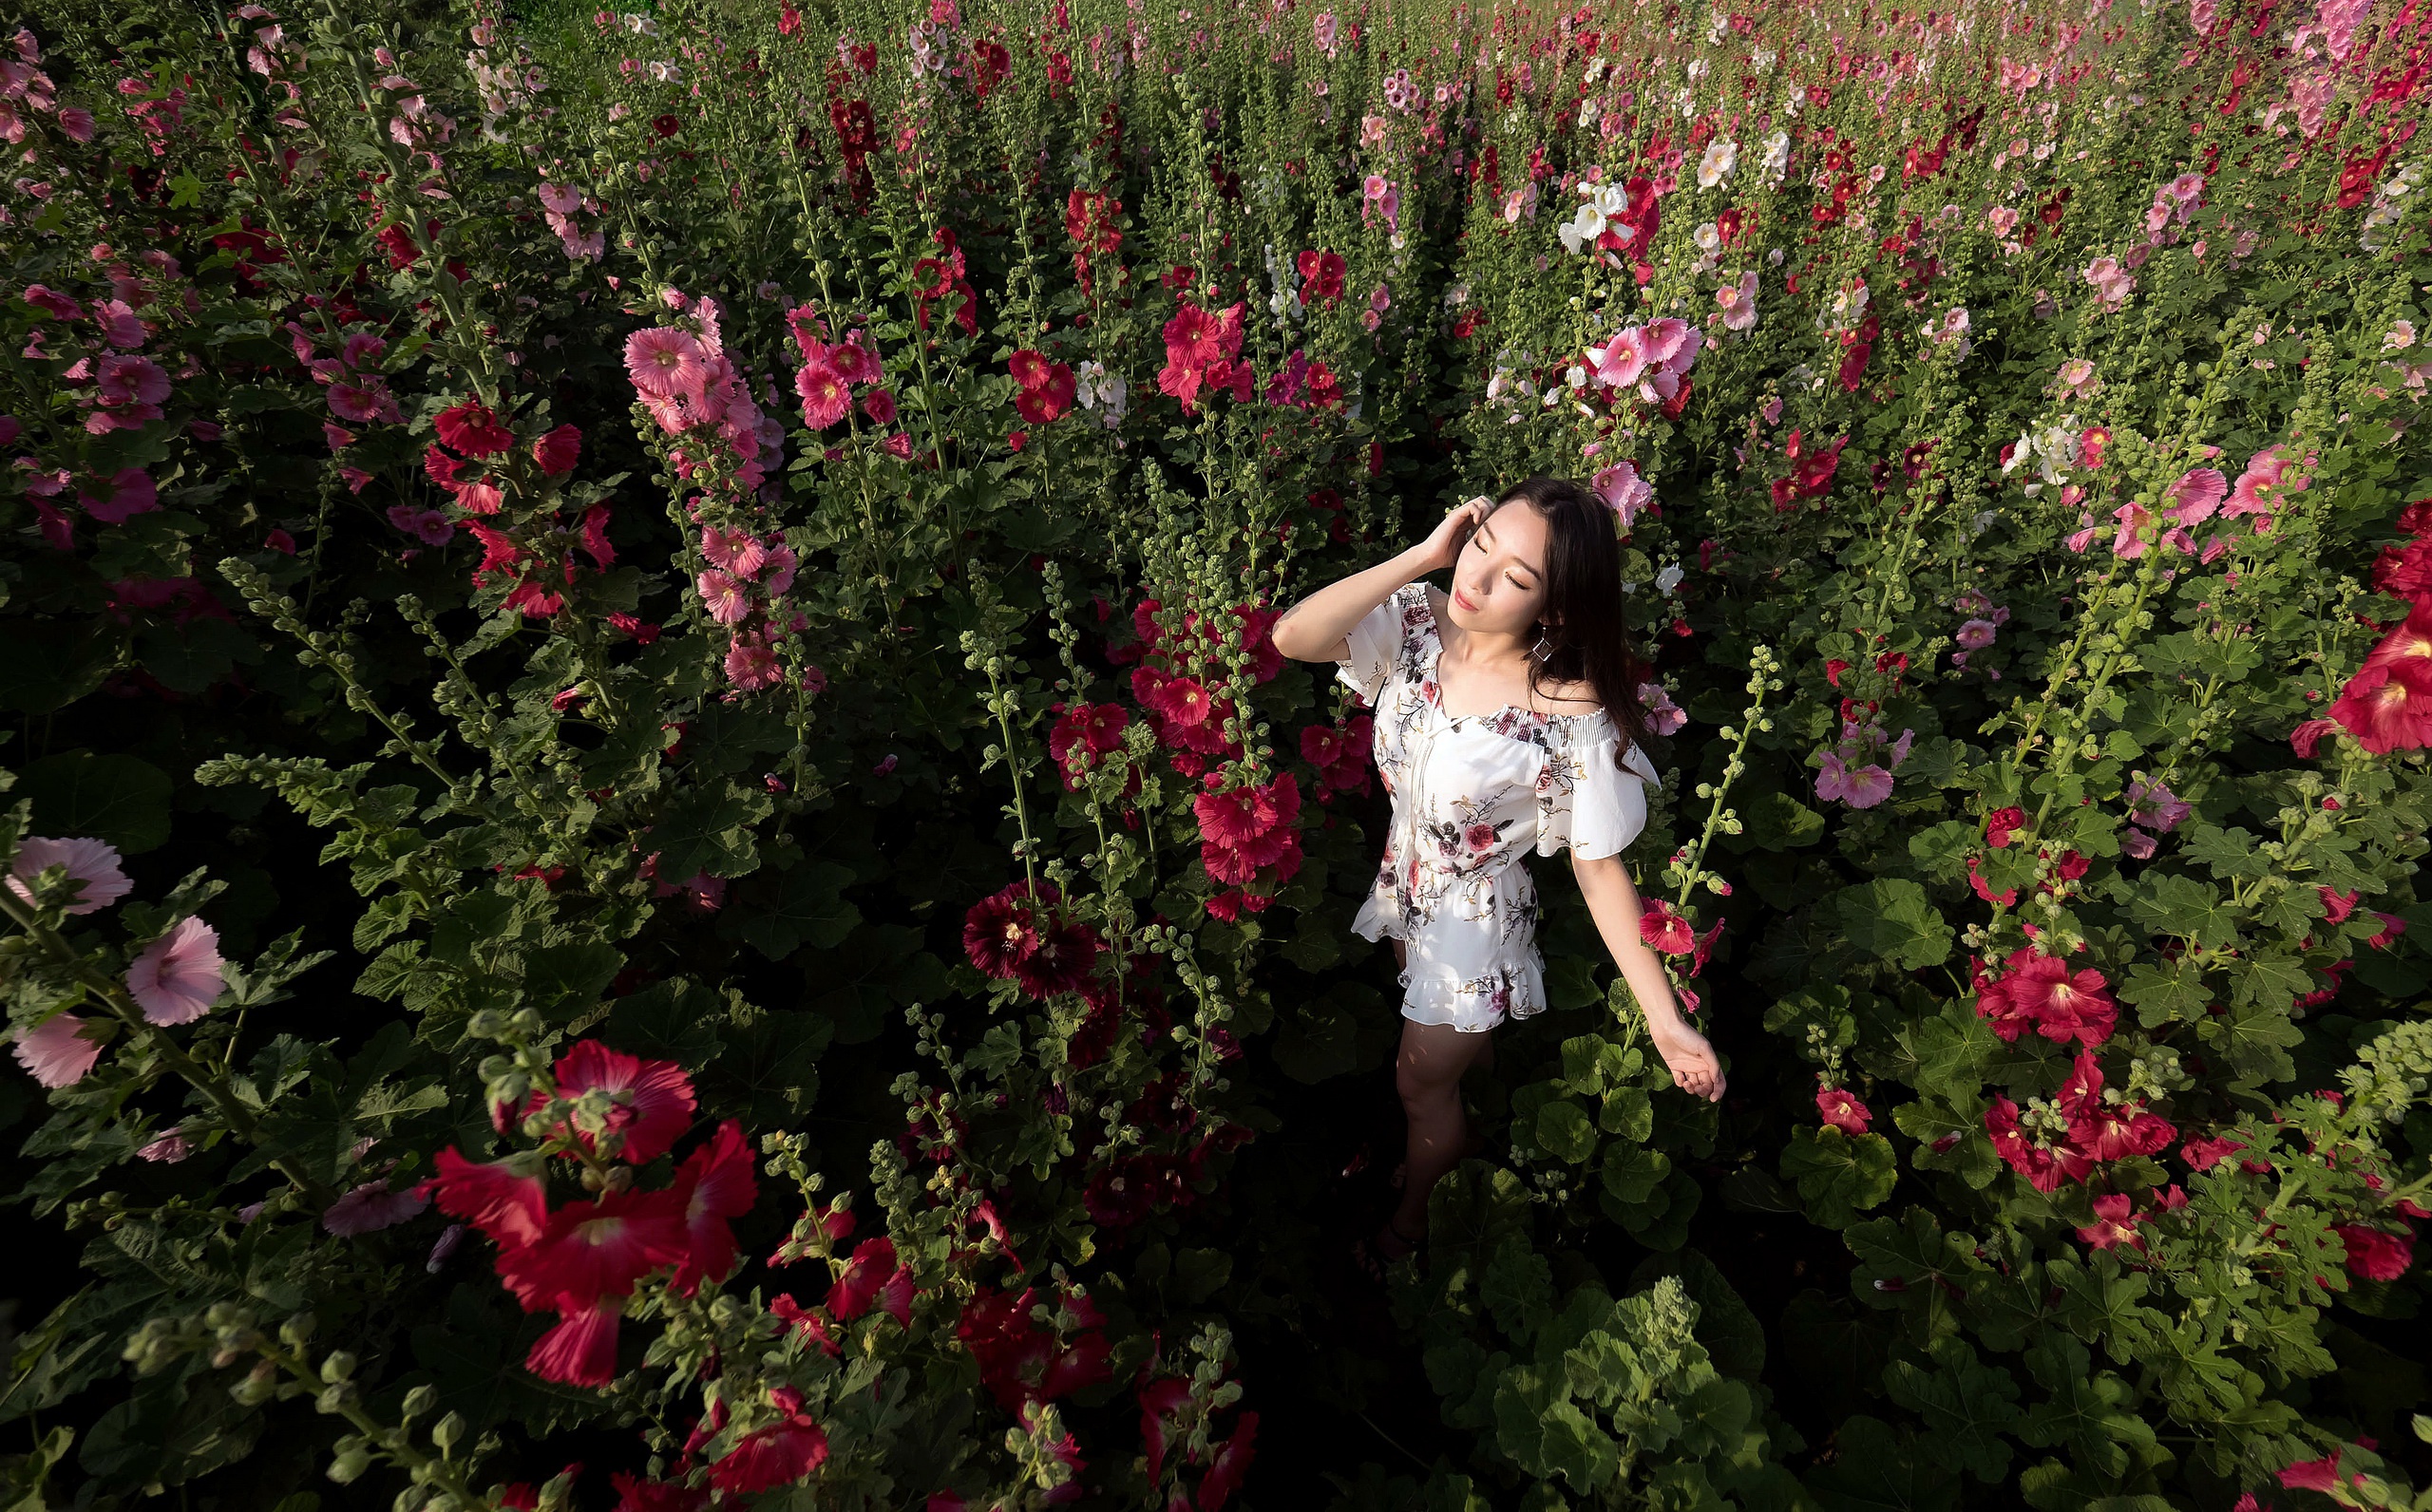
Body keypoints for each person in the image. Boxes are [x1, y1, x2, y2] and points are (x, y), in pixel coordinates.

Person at [1269, 476, 1726, 1277]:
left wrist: (1662, 1019)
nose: (1476, 581)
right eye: (1481, 545)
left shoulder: (1566, 713)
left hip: (1470, 927)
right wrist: (1418, 558)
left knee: (1418, 1088)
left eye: (1515, 577)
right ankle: (1476, 1099)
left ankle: (1414, 1223)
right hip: (1407, 881)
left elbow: (1598, 869)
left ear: (1553, 609)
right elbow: (1292, 638)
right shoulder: (1415, 623)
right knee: (1447, 1067)